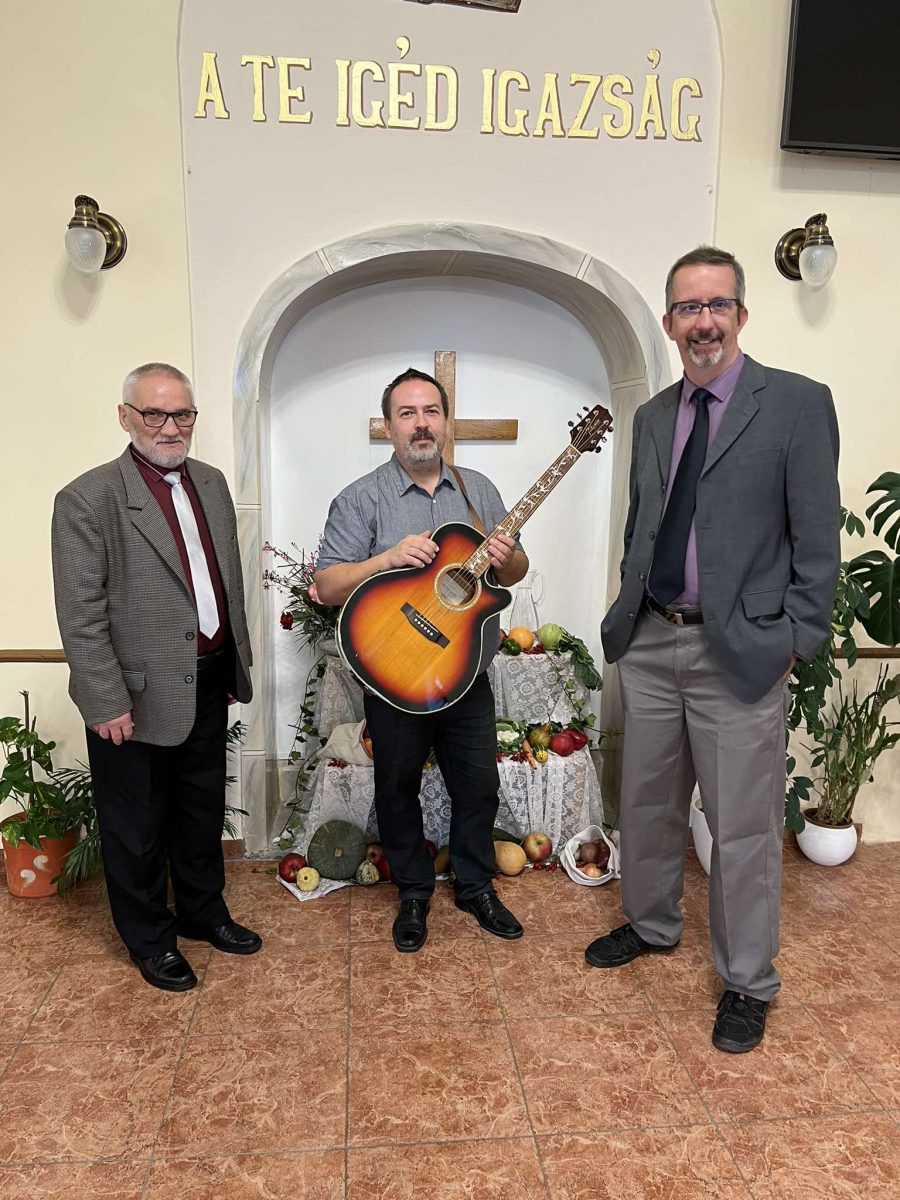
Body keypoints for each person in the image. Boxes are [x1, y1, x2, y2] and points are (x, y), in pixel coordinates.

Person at [589, 247, 840, 1052]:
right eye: (689, 308)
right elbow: (644, 523)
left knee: (740, 829)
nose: (704, 321)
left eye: (717, 305)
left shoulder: (796, 404)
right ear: (670, 323)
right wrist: (628, 604)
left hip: (742, 653)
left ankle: (747, 980)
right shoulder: (653, 416)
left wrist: (796, 641)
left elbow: (817, 539)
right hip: (652, 640)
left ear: (740, 314)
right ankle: (651, 923)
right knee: (647, 805)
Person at [51, 362, 261, 992]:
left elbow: (224, 581)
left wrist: (232, 662)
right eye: (154, 413)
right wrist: (104, 700)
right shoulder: (87, 499)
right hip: (133, 698)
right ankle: (150, 940)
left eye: (182, 414)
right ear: (126, 417)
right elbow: (80, 614)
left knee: (200, 813)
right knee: (137, 829)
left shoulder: (212, 483)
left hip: (209, 679)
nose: (171, 427)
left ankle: (203, 913)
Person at [315, 367, 529, 952]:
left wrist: (507, 558)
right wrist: (384, 560)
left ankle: (475, 885)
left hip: (465, 673)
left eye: (431, 411)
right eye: (406, 413)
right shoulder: (361, 498)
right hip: (394, 676)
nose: (420, 424)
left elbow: (514, 572)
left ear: (446, 422)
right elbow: (327, 585)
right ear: (388, 427)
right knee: (396, 787)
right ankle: (412, 892)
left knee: (479, 786)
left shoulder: (478, 490)